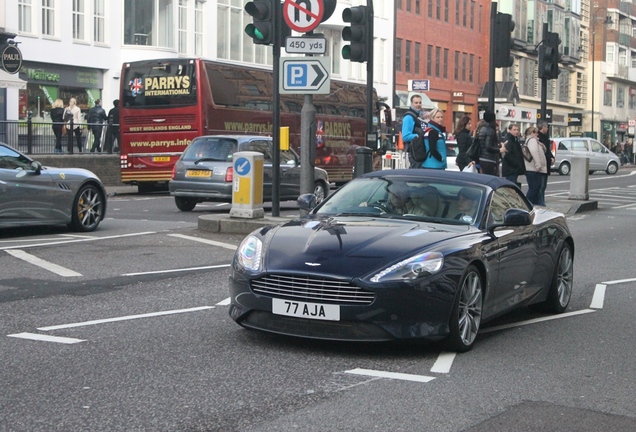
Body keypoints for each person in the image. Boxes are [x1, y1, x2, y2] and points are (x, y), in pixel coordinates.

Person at [523, 126, 548, 206]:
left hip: (532, 168)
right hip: (533, 168)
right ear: (532, 133)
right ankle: (527, 205)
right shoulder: (532, 141)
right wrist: (538, 165)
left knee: (535, 188)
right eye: (536, 132)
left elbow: (544, 149)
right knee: (534, 188)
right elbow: (534, 152)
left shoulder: (534, 141)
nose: (537, 134)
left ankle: (531, 205)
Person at [477, 110, 506, 176]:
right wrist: (499, 150)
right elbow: (488, 146)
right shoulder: (490, 130)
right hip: (489, 159)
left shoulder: (482, 129)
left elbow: (483, 144)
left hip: (482, 158)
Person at [401, 95, 424, 168]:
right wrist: (417, 136)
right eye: (416, 103)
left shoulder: (418, 115)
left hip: (417, 151)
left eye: (420, 102)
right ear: (411, 103)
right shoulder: (409, 117)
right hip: (414, 152)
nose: (418, 104)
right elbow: (405, 136)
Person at [537, 121, 553, 204]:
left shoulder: (545, 137)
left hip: (546, 164)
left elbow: (548, 150)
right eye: (546, 127)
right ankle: (541, 202)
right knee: (541, 185)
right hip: (542, 164)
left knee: (543, 185)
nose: (547, 129)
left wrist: (551, 157)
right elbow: (543, 151)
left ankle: (541, 201)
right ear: (543, 127)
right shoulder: (539, 137)